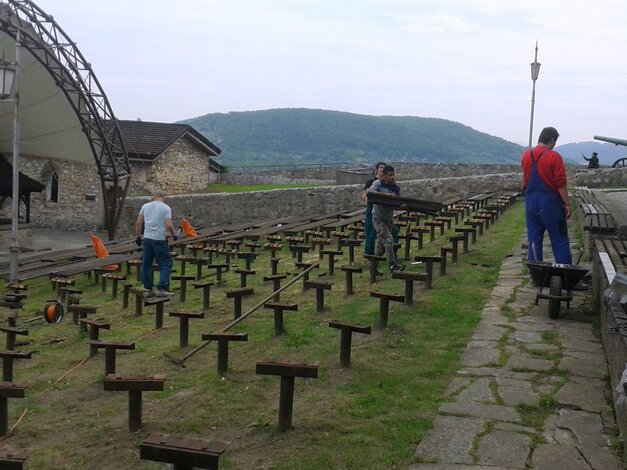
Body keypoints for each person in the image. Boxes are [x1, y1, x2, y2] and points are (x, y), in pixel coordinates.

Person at [521, 126, 572, 265]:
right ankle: (564, 275)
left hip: (531, 202)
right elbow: (560, 183)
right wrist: (567, 204)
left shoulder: (526, 155)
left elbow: (525, 180)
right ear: (552, 140)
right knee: (559, 239)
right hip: (550, 203)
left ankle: (537, 277)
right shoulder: (554, 156)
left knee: (534, 240)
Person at [134, 189, 178, 297]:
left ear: (154, 196)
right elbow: (168, 225)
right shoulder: (166, 208)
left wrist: (138, 237)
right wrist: (174, 235)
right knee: (165, 264)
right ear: (163, 197)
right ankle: (161, 288)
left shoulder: (145, 206)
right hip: (159, 239)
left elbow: (138, 223)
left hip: (147, 239)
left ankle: (148, 289)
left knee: (146, 264)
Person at [367, 165, 405, 274]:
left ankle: (373, 267)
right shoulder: (378, 183)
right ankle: (392, 265)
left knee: (381, 247)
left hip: (388, 219)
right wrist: (385, 195)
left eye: (393, 175)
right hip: (378, 218)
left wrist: (402, 206)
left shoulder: (396, 188)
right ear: (384, 176)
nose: (392, 177)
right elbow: (370, 192)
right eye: (390, 175)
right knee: (388, 239)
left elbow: (395, 204)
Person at [361, 162, 386, 256]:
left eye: (384, 168)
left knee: (393, 231)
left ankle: (391, 254)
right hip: (372, 210)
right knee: (371, 233)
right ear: (377, 169)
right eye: (381, 167)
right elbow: (364, 196)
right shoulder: (371, 181)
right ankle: (369, 256)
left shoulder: (386, 183)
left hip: (383, 211)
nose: (382, 169)